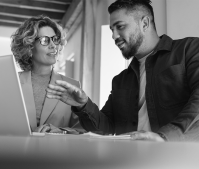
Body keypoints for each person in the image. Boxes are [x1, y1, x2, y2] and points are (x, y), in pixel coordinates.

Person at [46, 0, 199, 141]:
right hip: (131, 158)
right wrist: (83, 104)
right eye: (112, 29)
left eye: (120, 27)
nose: (114, 36)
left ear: (144, 23)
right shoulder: (121, 80)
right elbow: (105, 127)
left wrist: (164, 137)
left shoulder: (189, 50)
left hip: (180, 158)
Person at [11, 15, 84, 134]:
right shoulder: (12, 83)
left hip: (56, 151)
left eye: (55, 39)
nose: (53, 45)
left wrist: (62, 131)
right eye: (45, 40)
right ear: (29, 47)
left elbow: (83, 129)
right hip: (17, 151)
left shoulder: (72, 86)